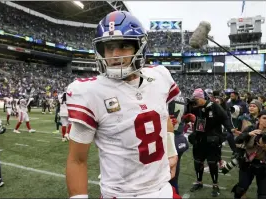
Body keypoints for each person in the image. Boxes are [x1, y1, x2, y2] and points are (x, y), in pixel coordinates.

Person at [66, 11, 181, 199]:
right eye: (109, 47)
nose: (115, 55)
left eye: (124, 46)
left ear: (139, 47)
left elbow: (163, 115)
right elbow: (77, 160)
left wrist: (171, 150)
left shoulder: (160, 76)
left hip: (164, 188)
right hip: (121, 195)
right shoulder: (89, 92)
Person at [187, 88, 239, 197]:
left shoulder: (214, 106)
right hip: (199, 139)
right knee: (198, 162)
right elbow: (186, 116)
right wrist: (188, 108)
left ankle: (215, 185)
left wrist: (231, 129)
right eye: (194, 99)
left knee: (212, 163)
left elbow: (225, 118)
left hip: (212, 140)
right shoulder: (195, 106)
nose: (195, 101)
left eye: (197, 99)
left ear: (202, 98)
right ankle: (199, 182)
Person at [232, 110, 266, 199]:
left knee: (263, 195)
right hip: (248, 163)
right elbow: (237, 140)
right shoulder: (251, 128)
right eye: (264, 118)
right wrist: (248, 134)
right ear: (259, 119)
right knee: (240, 190)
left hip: (264, 166)